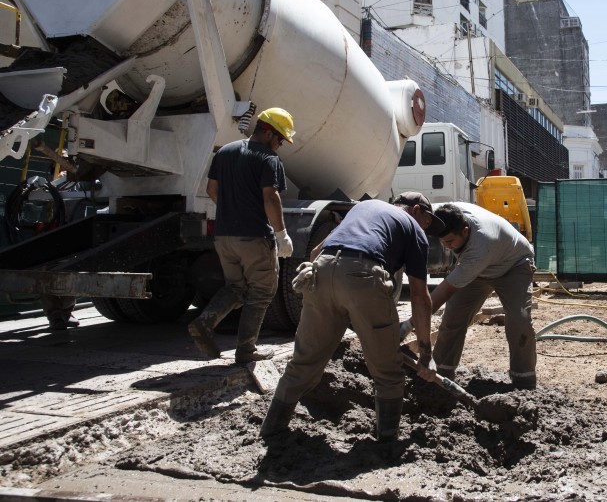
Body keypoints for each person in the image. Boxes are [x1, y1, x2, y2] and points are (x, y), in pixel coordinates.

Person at [260, 192, 443, 443]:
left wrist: (335, 301)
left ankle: (271, 431)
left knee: (303, 364)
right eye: (428, 220)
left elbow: (315, 251)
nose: (427, 226)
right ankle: (387, 445)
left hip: (321, 271)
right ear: (415, 210)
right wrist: (425, 355)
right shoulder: (413, 228)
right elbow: (421, 297)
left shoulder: (363, 208)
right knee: (388, 373)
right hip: (364, 275)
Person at [188, 107, 296, 364]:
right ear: (268, 132)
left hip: (224, 237)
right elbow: (271, 197)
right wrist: (281, 234)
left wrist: (231, 210)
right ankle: (246, 350)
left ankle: (205, 321)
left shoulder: (225, 152)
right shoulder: (268, 159)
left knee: (236, 288)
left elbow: (211, 189)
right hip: (254, 237)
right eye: (280, 138)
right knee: (261, 292)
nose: (280, 145)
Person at [426, 202, 537, 389]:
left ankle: (524, 381)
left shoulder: (481, 244)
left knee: (520, 319)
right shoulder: (446, 212)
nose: (447, 246)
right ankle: (440, 375)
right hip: (480, 270)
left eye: (450, 242)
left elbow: (443, 292)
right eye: (443, 241)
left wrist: (410, 324)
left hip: (514, 265)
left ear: (465, 231)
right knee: (453, 317)